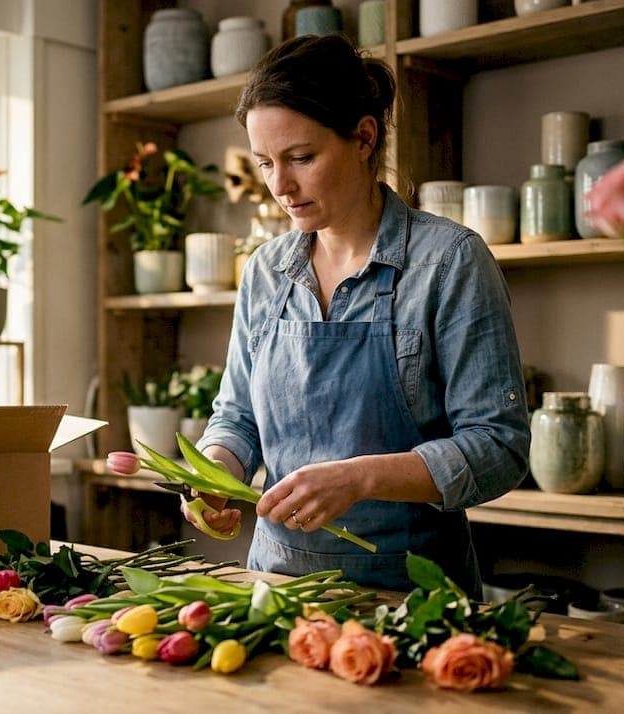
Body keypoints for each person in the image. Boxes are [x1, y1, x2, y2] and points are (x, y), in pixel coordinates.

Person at [188, 34, 530, 597]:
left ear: (364, 137)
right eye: (265, 163)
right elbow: (237, 415)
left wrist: (360, 477)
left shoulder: (448, 262)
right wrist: (215, 474)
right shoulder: (264, 271)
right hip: (276, 588)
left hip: (411, 597)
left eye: (301, 158)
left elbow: (499, 446)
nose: (280, 186)